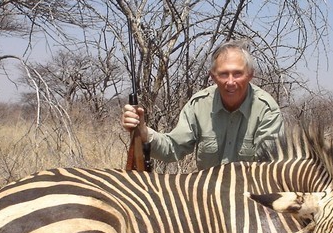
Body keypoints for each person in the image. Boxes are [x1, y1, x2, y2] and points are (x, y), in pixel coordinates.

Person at [121, 41, 284, 170]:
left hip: (249, 197)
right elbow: (172, 148)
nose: (231, 82)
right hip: (206, 197)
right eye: (223, 74)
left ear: (250, 75)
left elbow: (268, 169)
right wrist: (143, 132)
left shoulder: (267, 110)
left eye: (237, 74)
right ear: (213, 76)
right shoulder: (199, 105)